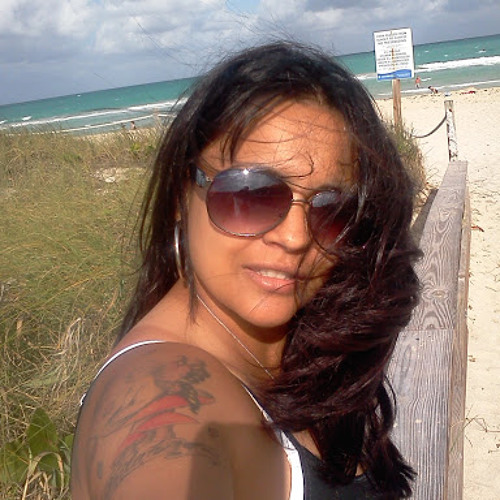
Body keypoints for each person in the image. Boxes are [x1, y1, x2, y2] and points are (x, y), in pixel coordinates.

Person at [71, 41, 420, 499]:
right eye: (251, 194)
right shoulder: (157, 390)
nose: (295, 237)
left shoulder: (306, 345)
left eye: (332, 209)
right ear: (180, 196)